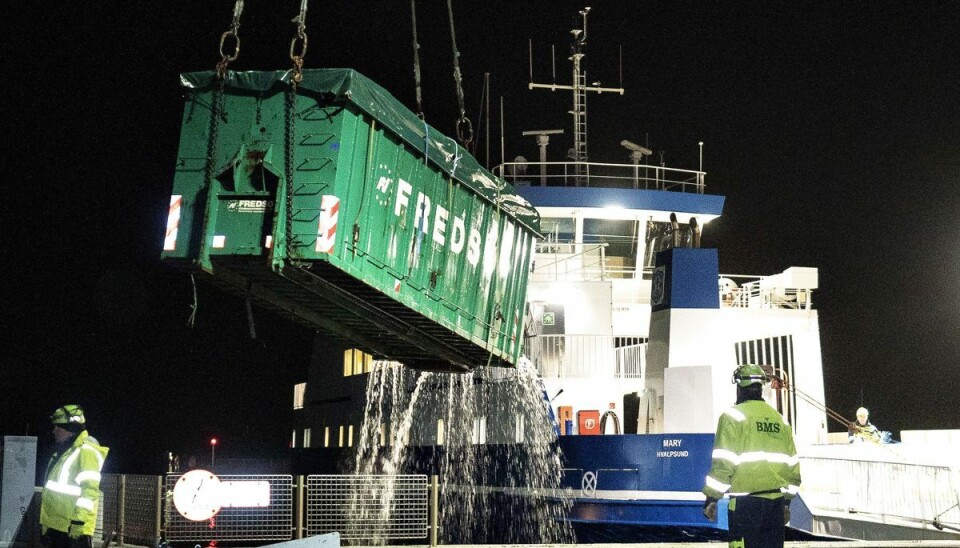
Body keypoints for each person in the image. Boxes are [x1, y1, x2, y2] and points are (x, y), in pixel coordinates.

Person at [702, 364, 801, 548]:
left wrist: (712, 498)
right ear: (761, 387)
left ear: (739, 386)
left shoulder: (732, 416)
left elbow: (724, 463)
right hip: (776, 505)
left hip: (746, 505)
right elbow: (793, 467)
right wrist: (786, 502)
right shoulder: (779, 419)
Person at [40, 405, 109, 548]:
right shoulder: (63, 452)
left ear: (67, 429)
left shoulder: (86, 451)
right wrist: (47, 524)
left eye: (57, 427)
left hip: (73, 529)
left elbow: (90, 491)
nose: (54, 431)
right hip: (57, 527)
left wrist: (78, 522)